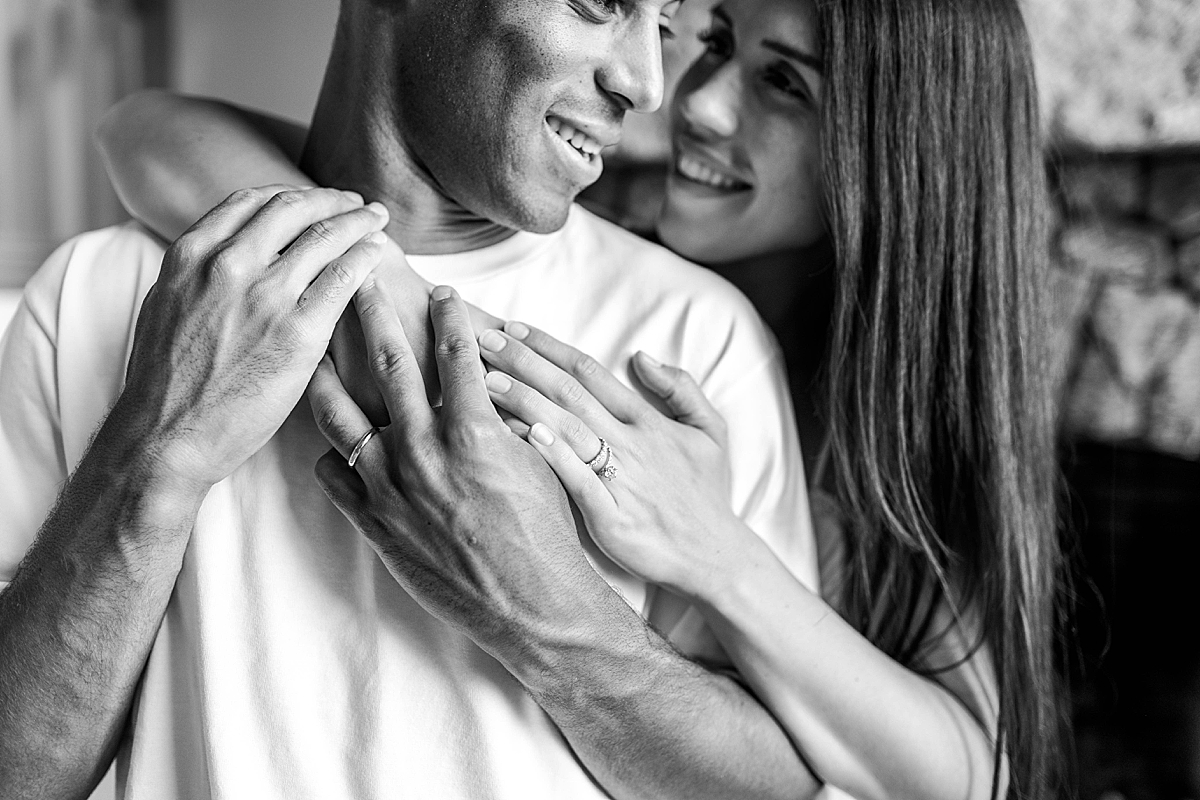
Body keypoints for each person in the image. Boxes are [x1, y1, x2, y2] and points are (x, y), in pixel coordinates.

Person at [97, 0, 1070, 799]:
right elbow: (150, 132)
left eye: (785, 83)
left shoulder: (874, 419)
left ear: (902, 157)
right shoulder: (602, 256)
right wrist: (376, 282)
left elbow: (962, 775)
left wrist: (713, 552)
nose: (694, 104)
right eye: (720, 42)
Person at [0, 1, 823, 798]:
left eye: (668, 23)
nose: (647, 83)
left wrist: (548, 612)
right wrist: (154, 456)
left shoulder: (693, 344)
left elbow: (778, 785)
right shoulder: (93, 293)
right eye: (597, 3)